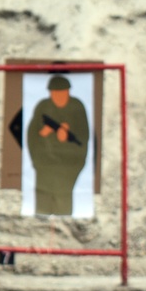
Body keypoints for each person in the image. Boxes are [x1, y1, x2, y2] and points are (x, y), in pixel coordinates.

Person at [26, 75, 90, 215]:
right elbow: (32, 135)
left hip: (67, 166)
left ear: (68, 92)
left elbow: (84, 137)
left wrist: (67, 137)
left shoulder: (77, 106)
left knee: (63, 200)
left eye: (62, 93)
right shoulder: (43, 106)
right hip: (45, 164)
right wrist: (43, 133)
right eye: (55, 94)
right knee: (43, 204)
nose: (59, 97)